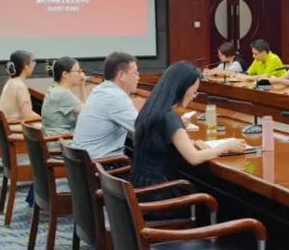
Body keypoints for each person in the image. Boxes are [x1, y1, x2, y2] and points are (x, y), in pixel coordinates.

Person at [129, 61, 245, 202]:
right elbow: (194, 158)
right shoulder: (169, 117)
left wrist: (191, 142)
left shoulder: (150, 109)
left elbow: (160, 142)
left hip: (140, 190)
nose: (194, 96)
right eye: (194, 91)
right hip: (158, 197)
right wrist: (225, 146)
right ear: (182, 87)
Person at [72, 51, 140, 159]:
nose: (138, 77)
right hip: (101, 164)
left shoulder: (100, 89)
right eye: (135, 73)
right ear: (121, 75)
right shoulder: (116, 97)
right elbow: (142, 129)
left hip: (83, 162)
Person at [41, 56, 85, 136]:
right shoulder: (64, 94)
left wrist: (82, 86)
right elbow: (87, 113)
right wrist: (82, 87)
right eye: (78, 71)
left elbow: (83, 111)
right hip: (62, 141)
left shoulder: (53, 89)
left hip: (52, 138)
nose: (81, 74)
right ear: (65, 74)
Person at [0, 50, 42, 123]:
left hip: (9, 125)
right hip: (16, 127)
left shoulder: (10, 82)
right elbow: (27, 116)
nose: (34, 65)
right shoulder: (20, 87)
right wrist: (42, 119)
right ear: (26, 66)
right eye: (32, 62)